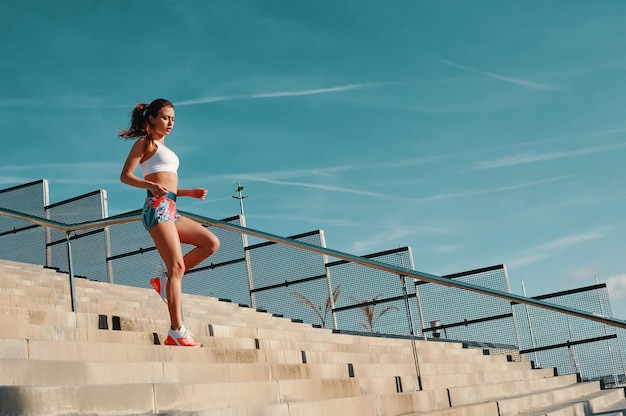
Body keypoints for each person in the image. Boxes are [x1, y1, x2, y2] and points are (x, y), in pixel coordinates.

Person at [119, 98, 220, 347]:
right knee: (177, 268)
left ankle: (164, 281)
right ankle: (176, 331)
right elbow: (125, 176)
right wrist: (149, 185)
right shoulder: (146, 143)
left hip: (172, 208)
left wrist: (188, 193)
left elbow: (168, 184)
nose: (170, 122)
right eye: (165, 117)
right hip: (157, 208)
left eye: (173, 119)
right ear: (151, 118)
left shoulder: (164, 147)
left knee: (210, 243)